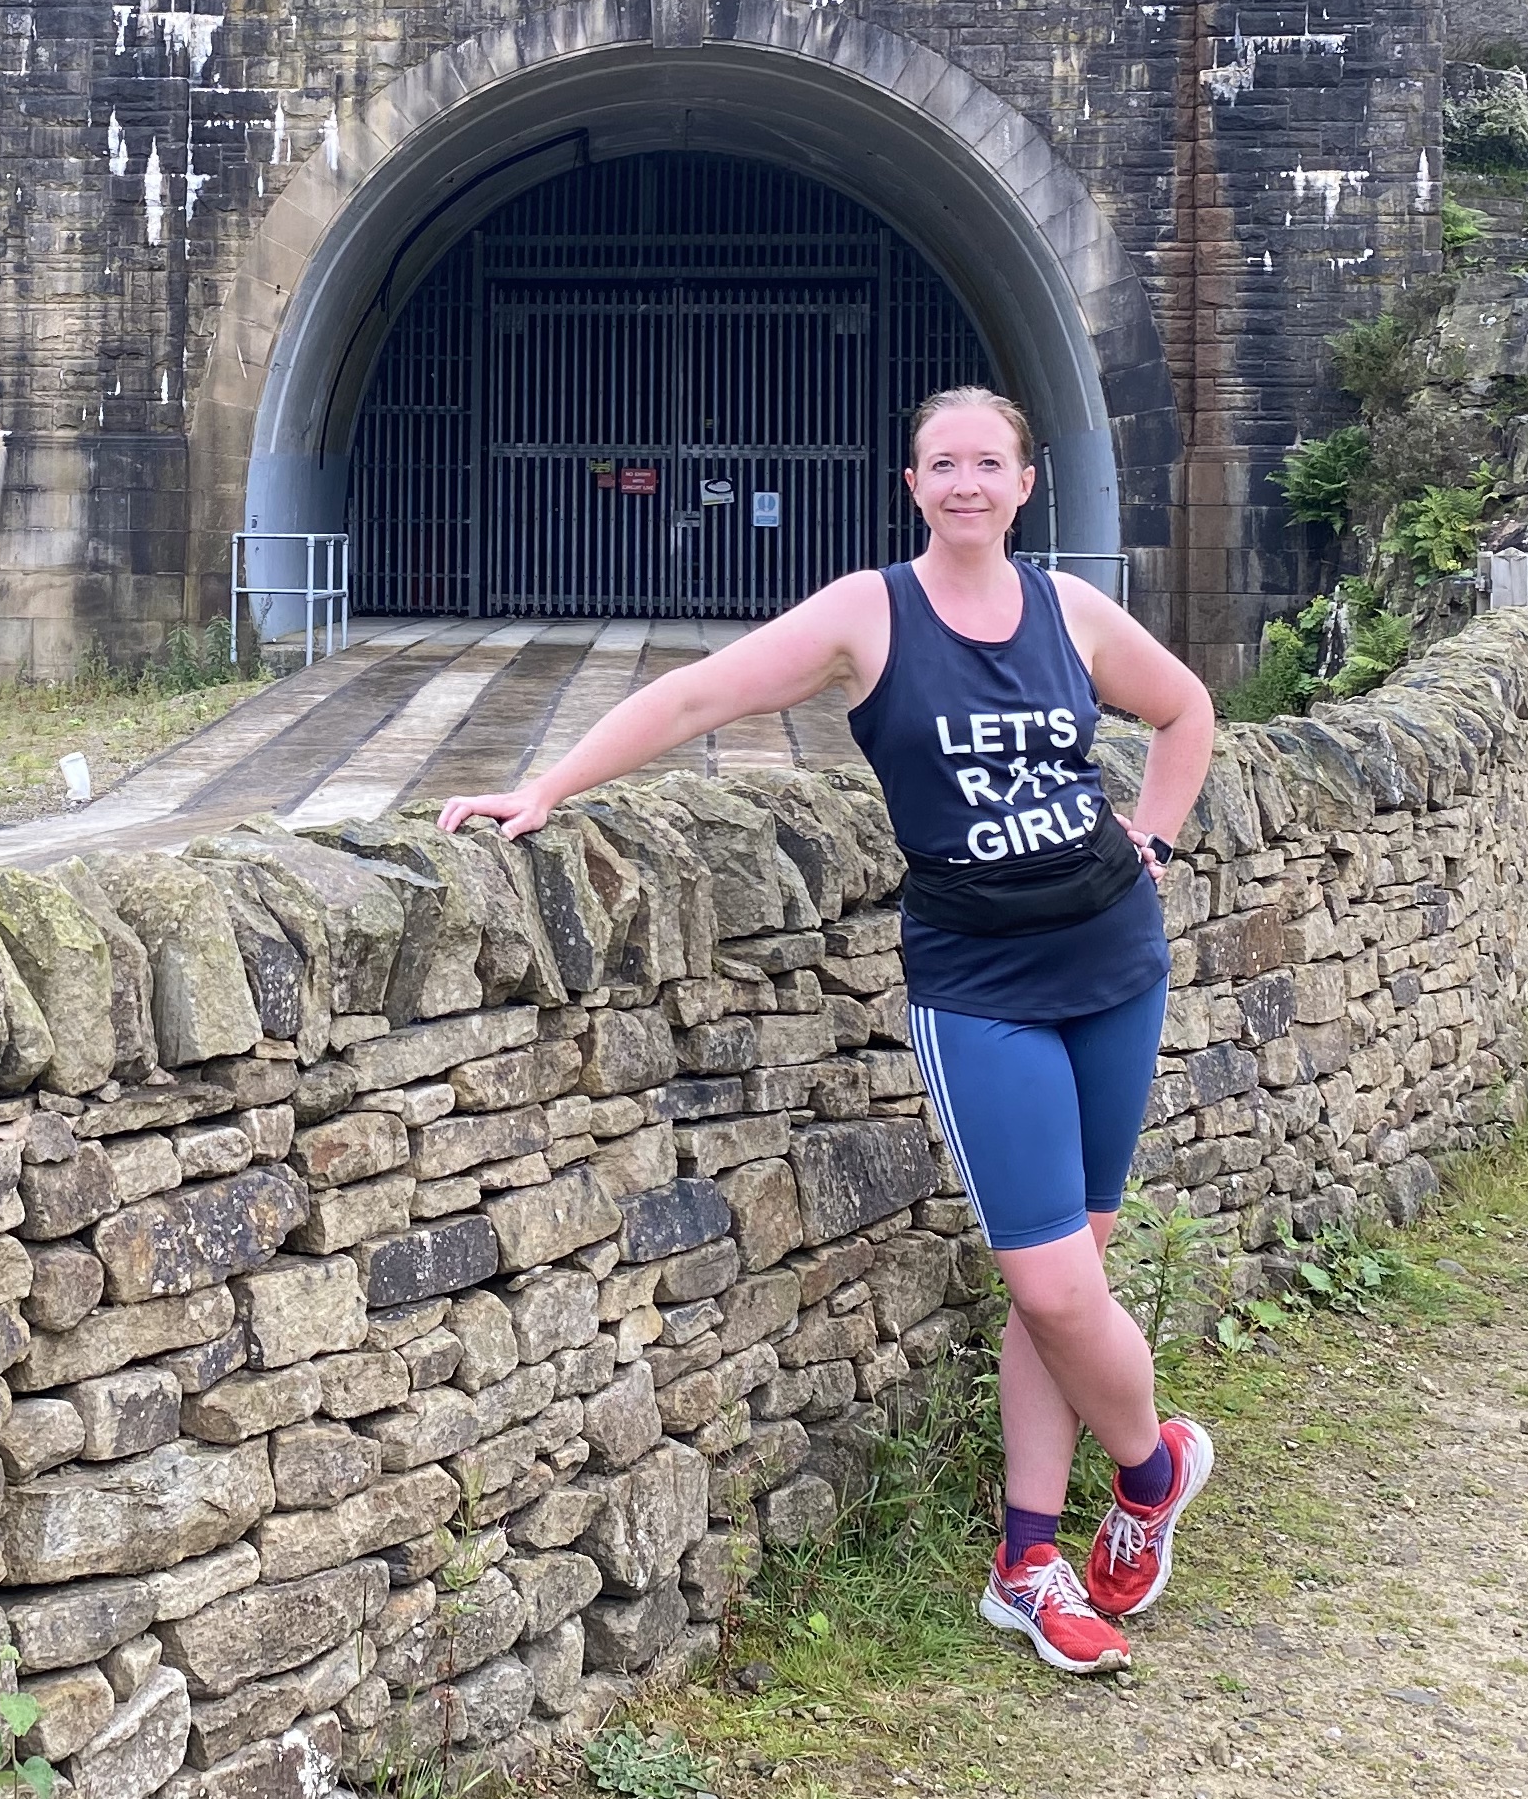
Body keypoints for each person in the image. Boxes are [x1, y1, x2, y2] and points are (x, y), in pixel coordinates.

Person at [440, 384, 1221, 1676]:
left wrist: (1158, 834)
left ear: (1028, 482)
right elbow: (697, 697)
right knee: (1048, 1281)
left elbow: (1184, 710)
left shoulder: (1072, 612)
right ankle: (1153, 1470)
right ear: (912, 485)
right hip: (980, 983)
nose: (966, 482)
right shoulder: (873, 613)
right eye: (941, 463)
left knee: (1064, 1294)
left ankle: (1028, 1562)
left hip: (1115, 960)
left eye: (989, 462)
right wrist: (545, 787)